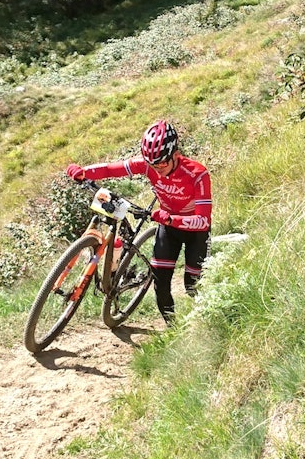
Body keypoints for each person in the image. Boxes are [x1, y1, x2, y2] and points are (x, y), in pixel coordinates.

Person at [66, 119, 211, 325]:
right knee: (160, 285)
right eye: (152, 165)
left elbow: (203, 221)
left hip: (195, 232)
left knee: (192, 285)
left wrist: (171, 218)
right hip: (168, 228)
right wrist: (84, 172)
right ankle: (174, 328)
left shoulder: (197, 174)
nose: (157, 169)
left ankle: (210, 322)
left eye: (161, 164)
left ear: (175, 155)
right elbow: (110, 169)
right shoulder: (148, 165)